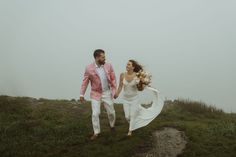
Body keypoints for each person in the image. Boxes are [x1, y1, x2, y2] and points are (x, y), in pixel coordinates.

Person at [114, 60, 164, 136]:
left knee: (132, 115)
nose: (127, 66)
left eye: (129, 65)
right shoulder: (122, 75)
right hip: (126, 99)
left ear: (133, 67)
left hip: (134, 99)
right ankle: (133, 124)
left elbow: (140, 89)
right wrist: (117, 94)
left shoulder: (137, 76)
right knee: (127, 116)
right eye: (127, 64)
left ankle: (130, 131)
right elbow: (120, 86)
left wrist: (142, 83)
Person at [80, 49, 117, 140]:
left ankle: (112, 125)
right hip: (95, 93)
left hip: (107, 92)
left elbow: (113, 79)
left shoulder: (108, 66)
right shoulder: (89, 68)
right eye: (103, 57)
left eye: (104, 57)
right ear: (97, 57)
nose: (105, 58)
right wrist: (81, 94)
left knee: (111, 112)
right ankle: (96, 133)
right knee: (95, 113)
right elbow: (85, 82)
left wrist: (114, 90)